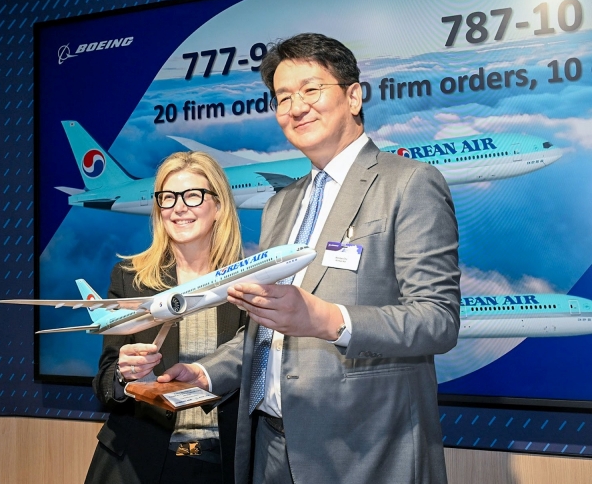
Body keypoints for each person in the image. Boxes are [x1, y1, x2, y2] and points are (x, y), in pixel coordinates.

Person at [160, 33, 461, 484]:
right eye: (283, 97)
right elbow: (267, 333)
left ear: (354, 95)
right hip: (271, 446)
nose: (296, 107)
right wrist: (206, 372)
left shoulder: (410, 183)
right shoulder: (282, 204)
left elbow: (437, 320)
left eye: (310, 90)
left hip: (365, 449)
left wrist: (330, 320)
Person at [85, 151, 247, 484]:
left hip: (223, 463)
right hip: (138, 462)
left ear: (218, 206)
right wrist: (123, 375)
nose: (179, 207)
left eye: (193, 195)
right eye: (168, 197)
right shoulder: (130, 278)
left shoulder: (247, 284)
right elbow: (104, 383)